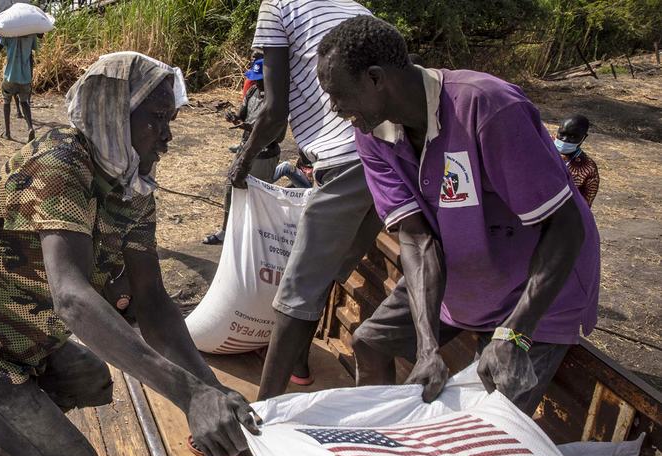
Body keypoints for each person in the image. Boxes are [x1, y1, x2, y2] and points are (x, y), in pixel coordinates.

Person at [0, 52, 260, 456]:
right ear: (113, 113)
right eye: (156, 119)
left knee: (88, 379)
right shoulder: (61, 163)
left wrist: (210, 390)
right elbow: (71, 299)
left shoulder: (129, 186)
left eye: (169, 120)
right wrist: (189, 396)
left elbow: (153, 301)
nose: (168, 137)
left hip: (17, 332)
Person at [316, 16, 600, 414]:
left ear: (376, 79)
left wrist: (514, 334)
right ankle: (377, 447)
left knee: (491, 409)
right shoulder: (371, 131)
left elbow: (566, 227)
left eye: (338, 94)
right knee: (370, 341)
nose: (335, 108)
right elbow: (417, 238)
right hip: (463, 274)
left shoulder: (487, 107)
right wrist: (427, 347)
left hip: (536, 289)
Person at [225, 0, 382, 406]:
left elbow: (275, 110)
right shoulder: (357, 8)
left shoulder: (276, 7)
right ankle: (298, 364)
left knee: (298, 287)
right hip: (391, 158)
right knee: (323, 271)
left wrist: (242, 162)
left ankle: (263, 417)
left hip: (347, 156)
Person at [204, 58, 286, 245]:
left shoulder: (276, 100)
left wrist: (254, 129)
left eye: (260, 79)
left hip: (265, 155)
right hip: (244, 149)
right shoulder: (252, 92)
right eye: (254, 78)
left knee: (258, 196)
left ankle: (256, 239)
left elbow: (279, 136)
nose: (256, 82)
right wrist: (233, 117)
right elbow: (242, 115)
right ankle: (226, 231)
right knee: (230, 189)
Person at [0, 32, 38, 141]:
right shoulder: (31, 34)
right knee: (24, 102)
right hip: (25, 76)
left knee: (6, 102)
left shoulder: (8, 32)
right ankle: (30, 127)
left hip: (10, 76)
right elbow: (32, 53)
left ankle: (8, 132)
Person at [556, 114, 600, 206]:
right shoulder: (542, 148)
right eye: (562, 134)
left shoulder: (589, 167)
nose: (565, 140)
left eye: (573, 137)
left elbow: (585, 205)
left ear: (584, 138)